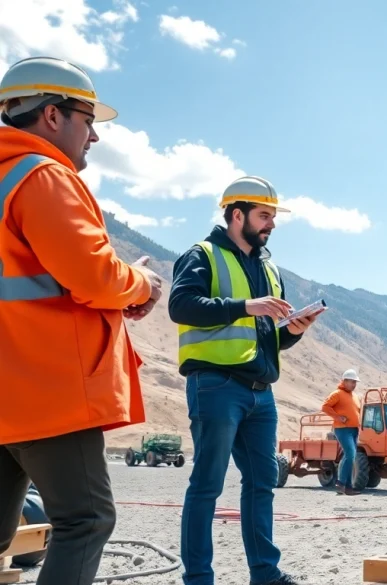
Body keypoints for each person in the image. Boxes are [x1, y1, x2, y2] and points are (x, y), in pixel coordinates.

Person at [0, 56, 162, 585]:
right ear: (51, 115)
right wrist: (140, 284)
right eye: (88, 120)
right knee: (87, 520)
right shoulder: (43, 175)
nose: (93, 137)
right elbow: (91, 276)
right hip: (47, 390)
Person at [168, 176, 320, 585]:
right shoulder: (202, 255)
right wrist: (246, 306)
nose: (272, 223)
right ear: (237, 215)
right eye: (264, 215)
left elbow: (268, 337)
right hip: (216, 386)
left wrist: (294, 330)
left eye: (273, 215)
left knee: (262, 485)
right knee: (207, 486)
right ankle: (198, 578)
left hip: (261, 393)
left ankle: (265, 575)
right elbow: (181, 305)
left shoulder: (269, 268)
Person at [322, 369, 363, 496]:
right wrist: (338, 417)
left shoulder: (355, 396)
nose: (354, 384)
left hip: (354, 430)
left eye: (355, 382)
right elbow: (325, 407)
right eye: (352, 382)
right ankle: (340, 482)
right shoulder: (337, 394)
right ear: (344, 381)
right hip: (342, 429)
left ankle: (348, 487)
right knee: (350, 454)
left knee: (351, 456)